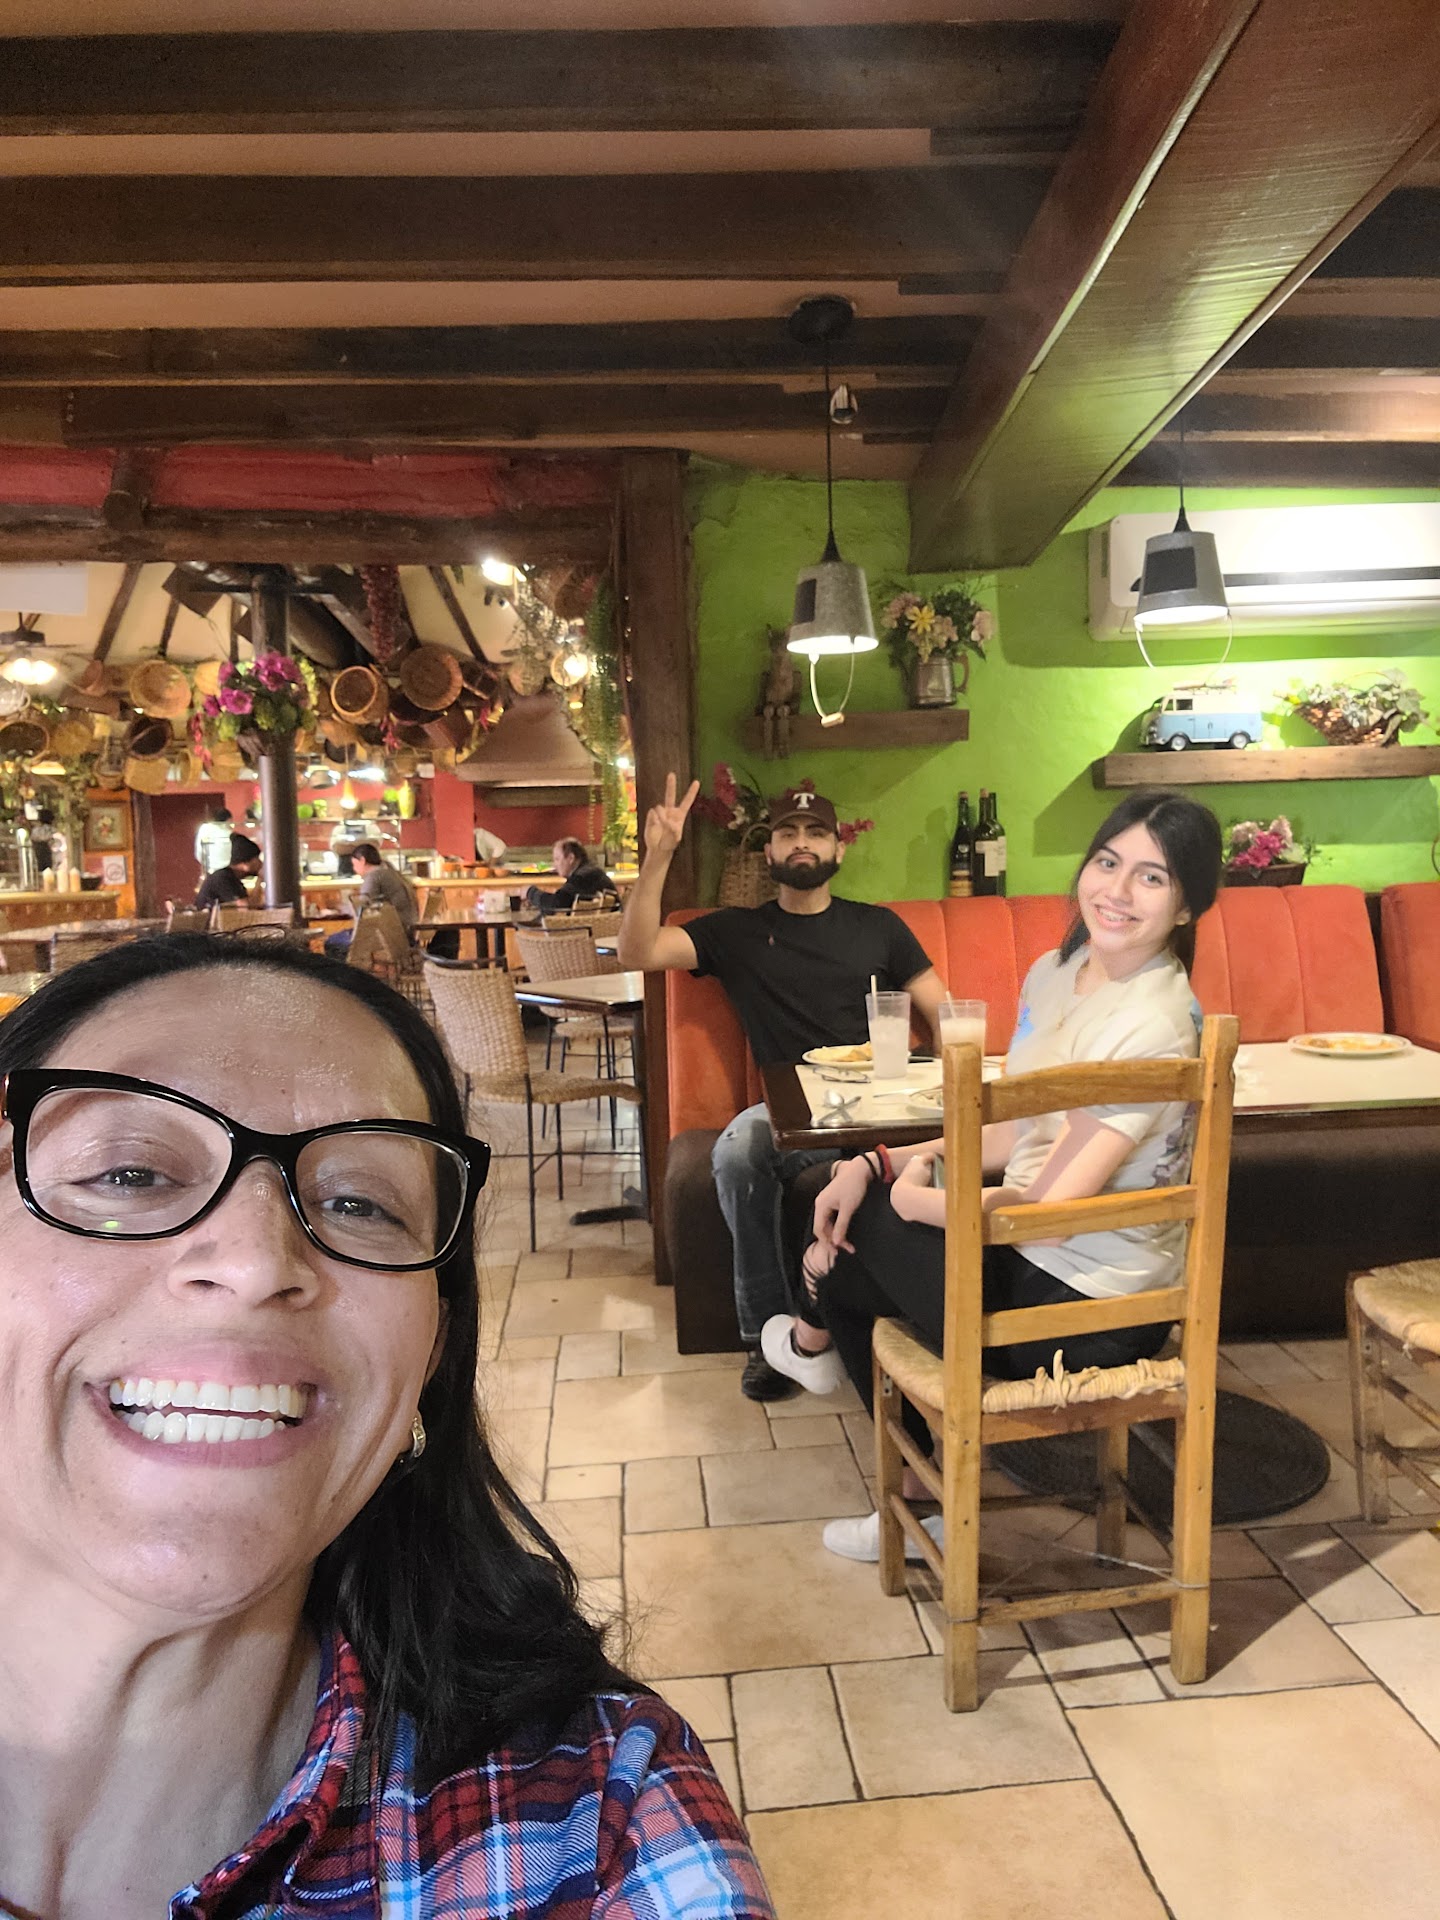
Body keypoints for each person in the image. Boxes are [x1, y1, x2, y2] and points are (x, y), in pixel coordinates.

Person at [0, 937, 774, 1918]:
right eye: (130, 1175)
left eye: (358, 1202)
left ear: (432, 1352)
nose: (255, 1261)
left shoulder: (602, 1831)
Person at [758, 789, 1224, 1562]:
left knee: (852, 1234)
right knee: (836, 1202)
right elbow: (1019, 1128)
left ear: (1186, 905)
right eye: (1108, 862)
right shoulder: (1057, 971)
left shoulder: (1152, 1021)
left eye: (1152, 877)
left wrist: (906, 1196)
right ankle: (896, 1463)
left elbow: (1049, 1210)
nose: (1117, 889)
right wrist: (878, 1160)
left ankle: (819, 1353)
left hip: (1088, 1310)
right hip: (1034, 1255)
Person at [619, 774, 945, 1402]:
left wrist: (934, 1071)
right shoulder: (733, 931)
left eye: (815, 833)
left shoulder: (880, 928)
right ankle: (771, 1335)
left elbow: (946, 1012)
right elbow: (638, 951)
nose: (801, 842)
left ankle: (924, 1325)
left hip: (881, 1104)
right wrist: (658, 855)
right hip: (794, 1114)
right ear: (767, 851)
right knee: (738, 1150)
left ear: (838, 850)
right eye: (787, 833)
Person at [324, 842, 417, 958]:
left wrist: (338, 909)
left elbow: (362, 911)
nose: (354, 869)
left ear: (362, 860)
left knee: (332, 942)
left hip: (388, 937)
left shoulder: (374, 877)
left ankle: (348, 969)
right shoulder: (393, 873)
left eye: (354, 864)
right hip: (407, 933)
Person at [527, 837, 614, 914]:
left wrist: (529, 892)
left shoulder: (582, 877)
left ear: (571, 858)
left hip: (587, 927)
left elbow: (556, 904)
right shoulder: (591, 871)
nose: (554, 865)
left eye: (557, 859)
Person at [193, 831, 261, 913]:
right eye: (256, 859)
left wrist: (260, 879)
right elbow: (245, 909)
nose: (260, 862)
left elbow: (252, 906)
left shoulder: (233, 880)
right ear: (245, 864)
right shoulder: (223, 878)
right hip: (207, 921)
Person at [194, 804, 233, 878]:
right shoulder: (228, 834)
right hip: (227, 872)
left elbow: (199, 853)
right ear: (228, 820)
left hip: (209, 872)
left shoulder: (204, 829)